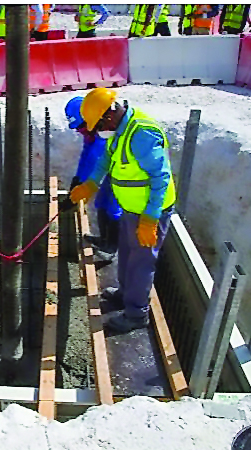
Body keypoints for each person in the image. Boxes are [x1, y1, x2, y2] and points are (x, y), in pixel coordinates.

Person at [70, 88, 176, 334]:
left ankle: (137, 313)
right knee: (127, 253)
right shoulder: (120, 130)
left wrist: (150, 219)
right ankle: (124, 294)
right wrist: (91, 184)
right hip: (131, 208)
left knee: (141, 262)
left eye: (97, 126)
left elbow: (161, 179)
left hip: (150, 213)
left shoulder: (141, 135)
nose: (97, 132)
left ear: (108, 116)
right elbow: (106, 160)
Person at [62, 96, 121, 259]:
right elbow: (86, 156)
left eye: (80, 126)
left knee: (114, 208)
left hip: (123, 174)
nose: (79, 131)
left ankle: (112, 249)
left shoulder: (104, 133)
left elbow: (95, 159)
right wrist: (77, 179)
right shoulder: (92, 134)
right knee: (101, 202)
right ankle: (104, 240)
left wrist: (82, 184)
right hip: (110, 171)